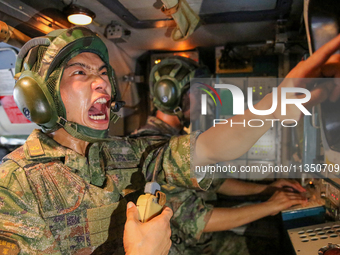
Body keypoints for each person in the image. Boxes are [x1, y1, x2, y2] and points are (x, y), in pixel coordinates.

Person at [0, 25, 339, 255]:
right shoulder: (15, 186)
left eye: (104, 73)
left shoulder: (125, 153)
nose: (102, 82)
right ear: (40, 98)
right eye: (81, 72)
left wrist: (279, 104)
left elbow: (206, 150)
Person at [130, 56, 307, 255]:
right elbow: (200, 221)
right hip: (184, 249)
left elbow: (217, 182)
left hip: (199, 242)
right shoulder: (154, 150)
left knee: (269, 244)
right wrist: (271, 206)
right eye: (199, 91)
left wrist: (266, 190)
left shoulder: (173, 139)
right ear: (172, 96)